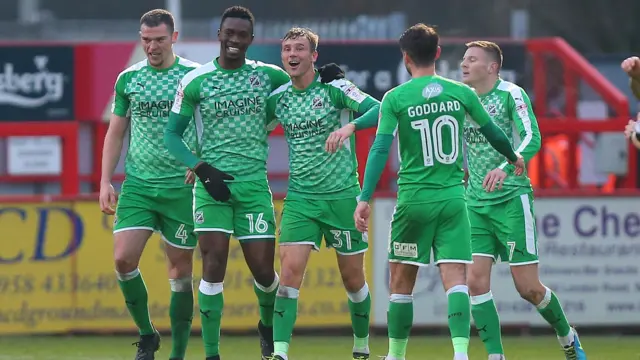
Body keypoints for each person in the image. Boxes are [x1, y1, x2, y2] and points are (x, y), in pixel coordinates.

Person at [164, 6, 345, 360]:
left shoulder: (268, 76)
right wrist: (200, 168)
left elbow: (301, 86)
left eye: (241, 35)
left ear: (250, 39)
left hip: (252, 187)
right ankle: (212, 353)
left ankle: (267, 326)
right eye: (228, 33)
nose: (234, 40)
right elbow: (172, 136)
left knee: (263, 272)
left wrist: (325, 75)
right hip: (212, 185)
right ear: (219, 34)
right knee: (213, 263)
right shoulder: (196, 80)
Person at [353, 24, 525, 360]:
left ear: (406, 58)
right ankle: (461, 353)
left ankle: (395, 355)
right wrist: (512, 156)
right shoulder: (460, 93)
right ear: (436, 53)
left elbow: (379, 149)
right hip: (452, 199)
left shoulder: (396, 98)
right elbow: (493, 133)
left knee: (401, 280)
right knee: (456, 278)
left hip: (414, 200)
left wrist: (364, 197)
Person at [460, 40, 587, 360]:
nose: (463, 64)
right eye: (463, 59)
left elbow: (533, 137)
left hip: (511, 200)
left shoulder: (510, 94)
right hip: (474, 203)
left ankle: (567, 337)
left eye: (471, 59)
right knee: (475, 282)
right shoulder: (461, 98)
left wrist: (506, 166)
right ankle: (495, 355)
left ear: (492, 67)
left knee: (528, 288)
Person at [263, 27, 380, 360]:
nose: (292, 55)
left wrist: (349, 127)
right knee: (288, 274)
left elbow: (381, 108)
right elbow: (255, 132)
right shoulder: (279, 98)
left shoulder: (335, 88)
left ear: (314, 56)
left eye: (300, 48)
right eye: (287, 49)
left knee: (353, 278)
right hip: (300, 199)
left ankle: (361, 346)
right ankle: (281, 352)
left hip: (342, 197)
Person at [100, 9, 199, 360]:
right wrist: (105, 181)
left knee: (180, 273)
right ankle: (147, 335)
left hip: (181, 189)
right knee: (123, 260)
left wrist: (200, 163)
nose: (151, 46)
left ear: (174, 37)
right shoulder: (128, 79)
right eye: (145, 39)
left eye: (158, 39)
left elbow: (212, 127)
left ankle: (179, 353)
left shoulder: (193, 76)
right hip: (139, 185)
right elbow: (116, 131)